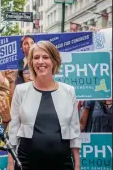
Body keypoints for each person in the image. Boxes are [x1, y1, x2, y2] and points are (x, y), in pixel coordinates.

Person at [8, 41, 80, 170]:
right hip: (26, 162)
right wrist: (10, 163)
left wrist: (77, 164)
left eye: (46, 57)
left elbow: (74, 130)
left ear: (54, 61)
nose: (41, 61)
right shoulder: (21, 90)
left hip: (62, 163)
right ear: (31, 63)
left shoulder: (69, 91)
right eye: (36, 58)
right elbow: (13, 130)